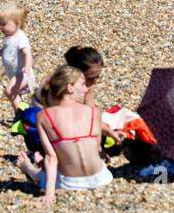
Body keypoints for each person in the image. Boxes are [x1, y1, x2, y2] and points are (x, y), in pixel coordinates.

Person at [15, 65, 111, 202]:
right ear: (69, 88)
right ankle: (37, 169)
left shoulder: (43, 116)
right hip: (101, 178)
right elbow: (96, 149)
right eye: (83, 84)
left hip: (70, 183)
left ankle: (33, 173)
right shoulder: (94, 112)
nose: (86, 89)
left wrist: (50, 194)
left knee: (52, 159)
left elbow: (51, 158)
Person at [0, 2, 35, 116]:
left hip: (23, 74)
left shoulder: (20, 37)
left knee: (9, 91)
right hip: (14, 74)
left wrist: (27, 67)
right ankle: (22, 114)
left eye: (4, 24)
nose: (0, 27)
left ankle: (21, 115)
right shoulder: (8, 38)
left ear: (18, 24)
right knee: (13, 93)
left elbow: (27, 53)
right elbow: (6, 50)